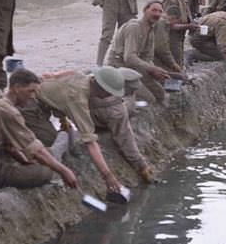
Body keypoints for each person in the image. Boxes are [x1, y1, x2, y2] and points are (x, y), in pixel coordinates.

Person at [20, 66, 153, 190]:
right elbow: (90, 142)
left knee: (63, 137)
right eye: (109, 93)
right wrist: (107, 175)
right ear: (102, 89)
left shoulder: (85, 78)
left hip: (42, 102)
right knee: (53, 143)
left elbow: (68, 76)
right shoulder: (78, 99)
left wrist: (62, 117)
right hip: (29, 105)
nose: (110, 97)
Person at [0, 68, 79, 190]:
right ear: (16, 88)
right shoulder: (8, 111)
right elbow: (35, 149)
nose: (33, 97)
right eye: (30, 91)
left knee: (42, 158)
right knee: (45, 172)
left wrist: (24, 161)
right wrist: (64, 171)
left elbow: (9, 146)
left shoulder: (1, 103)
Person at [105, 0, 180, 103]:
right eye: (154, 10)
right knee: (149, 99)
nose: (157, 14)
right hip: (118, 68)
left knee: (160, 94)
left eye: (160, 11)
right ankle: (120, 96)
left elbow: (147, 58)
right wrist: (152, 68)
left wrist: (155, 72)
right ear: (145, 10)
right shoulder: (134, 27)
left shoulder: (150, 31)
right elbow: (129, 58)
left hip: (134, 69)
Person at [187, 9, 226, 73]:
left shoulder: (225, 14)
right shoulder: (224, 25)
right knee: (221, 56)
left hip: (198, 35)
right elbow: (224, 49)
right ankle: (195, 54)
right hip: (198, 40)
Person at [163, 0, 196, 66]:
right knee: (174, 67)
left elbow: (185, 19)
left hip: (179, 38)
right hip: (170, 40)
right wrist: (189, 26)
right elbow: (170, 26)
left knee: (179, 65)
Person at [154, 4, 187, 74]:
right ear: (173, 18)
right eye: (176, 22)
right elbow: (162, 48)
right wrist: (173, 64)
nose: (174, 25)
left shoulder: (161, 21)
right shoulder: (162, 23)